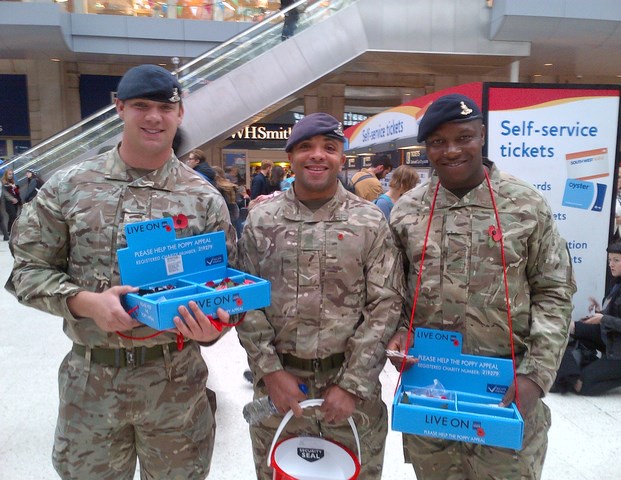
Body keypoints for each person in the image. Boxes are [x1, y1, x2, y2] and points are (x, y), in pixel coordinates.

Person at [5, 64, 237, 479]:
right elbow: (27, 272)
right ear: (119, 108)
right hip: (92, 381)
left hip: (176, 382)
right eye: (140, 106)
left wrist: (215, 328)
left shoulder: (203, 199)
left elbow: (225, 284)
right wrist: (85, 302)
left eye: (165, 107)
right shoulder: (69, 187)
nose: (154, 117)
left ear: (180, 113)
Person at [386, 94, 576, 480]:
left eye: (464, 137)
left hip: (507, 392)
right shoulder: (408, 210)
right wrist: (397, 334)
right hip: (432, 391)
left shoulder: (525, 204)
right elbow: (393, 291)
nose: (452, 150)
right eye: (438, 142)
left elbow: (554, 291)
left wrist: (536, 375)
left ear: (483, 135)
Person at [237, 112, 404, 480]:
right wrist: (269, 371)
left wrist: (352, 384)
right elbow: (244, 299)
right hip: (280, 392)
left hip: (349, 397)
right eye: (306, 147)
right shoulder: (262, 220)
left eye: (329, 147)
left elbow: (386, 303)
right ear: (291, 155)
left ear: (341, 157)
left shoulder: (368, 221)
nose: (317, 155)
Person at [553, 235, 621, 396]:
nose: (611, 265)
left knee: (581, 385)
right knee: (569, 327)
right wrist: (601, 313)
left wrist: (604, 319)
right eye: (610, 260)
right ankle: (580, 367)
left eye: (616, 260)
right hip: (612, 337)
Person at [1, 168, 22, 234]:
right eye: (9, 174)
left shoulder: (12, 182)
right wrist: (12, 198)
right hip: (8, 202)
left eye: (12, 174)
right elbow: (4, 193)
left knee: (12, 216)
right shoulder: (3, 182)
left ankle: (9, 230)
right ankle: (13, 231)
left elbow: (16, 191)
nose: (11, 175)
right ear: (6, 174)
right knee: (13, 216)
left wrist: (15, 187)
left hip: (15, 201)